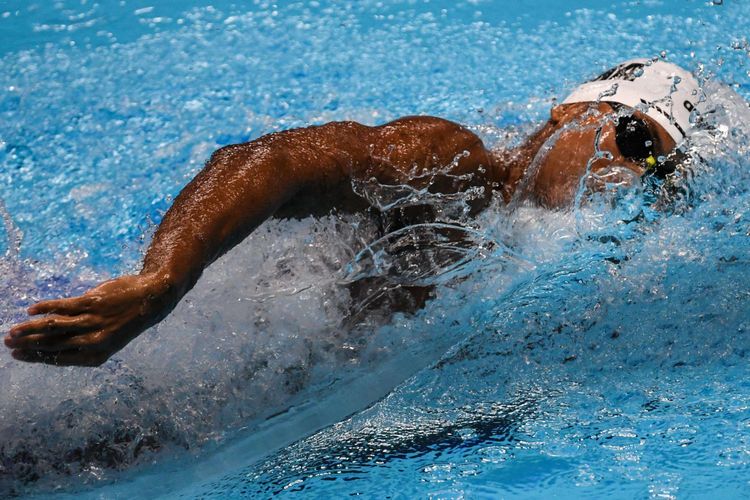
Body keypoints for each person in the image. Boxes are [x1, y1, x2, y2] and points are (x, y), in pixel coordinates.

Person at [4, 58, 705, 367]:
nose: (628, 175)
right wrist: (162, 284)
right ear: (573, 112)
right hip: (109, 323)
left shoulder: (541, 272)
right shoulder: (455, 169)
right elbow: (268, 162)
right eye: (635, 138)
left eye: (657, 173)